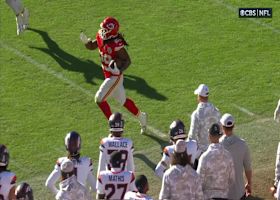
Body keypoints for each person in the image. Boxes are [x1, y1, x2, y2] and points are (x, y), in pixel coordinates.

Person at [80, 16, 147, 134]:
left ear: (111, 31)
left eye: (106, 30)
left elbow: (127, 61)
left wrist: (118, 70)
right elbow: (92, 46)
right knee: (123, 101)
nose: (102, 31)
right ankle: (142, 117)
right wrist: (86, 42)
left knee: (99, 99)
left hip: (114, 76)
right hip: (108, 74)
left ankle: (113, 126)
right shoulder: (101, 35)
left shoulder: (116, 44)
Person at [45, 131, 96, 197]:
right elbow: (94, 187)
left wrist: (59, 194)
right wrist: (86, 194)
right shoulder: (87, 161)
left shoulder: (62, 162)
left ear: (66, 145)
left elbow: (49, 184)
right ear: (79, 144)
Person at [197, 123, 235, 199]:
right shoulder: (228, 155)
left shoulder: (204, 157)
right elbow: (232, 179)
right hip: (224, 197)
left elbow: (198, 182)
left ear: (209, 136)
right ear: (220, 136)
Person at [219, 113, 252, 199]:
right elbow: (248, 168)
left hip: (223, 195)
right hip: (239, 193)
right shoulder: (243, 144)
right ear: (233, 126)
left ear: (222, 127)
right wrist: (249, 183)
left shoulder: (217, 146)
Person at [97, 112, 135, 178]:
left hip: (108, 180)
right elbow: (131, 167)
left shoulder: (105, 142)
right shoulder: (128, 143)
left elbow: (101, 167)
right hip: (124, 181)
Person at [188, 84, 221, 154]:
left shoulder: (196, 115)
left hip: (202, 152)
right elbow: (220, 130)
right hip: (216, 149)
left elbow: (192, 137)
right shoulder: (216, 111)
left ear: (199, 97)